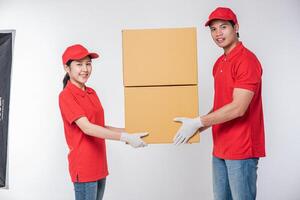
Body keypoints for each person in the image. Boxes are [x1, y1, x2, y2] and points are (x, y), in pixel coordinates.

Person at [173, 7, 266, 200]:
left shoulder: (247, 61)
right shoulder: (219, 63)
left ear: (236, 27)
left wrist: (199, 121)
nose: (218, 34)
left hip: (241, 150)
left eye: (223, 27)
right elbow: (222, 104)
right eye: (213, 29)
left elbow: (238, 108)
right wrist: (196, 127)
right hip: (220, 148)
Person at [58, 44, 148, 200]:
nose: (85, 69)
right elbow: (87, 128)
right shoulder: (66, 96)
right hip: (84, 167)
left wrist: (128, 131)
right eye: (79, 64)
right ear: (67, 68)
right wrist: (125, 138)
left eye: (88, 64)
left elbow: (99, 126)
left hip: (99, 164)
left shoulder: (92, 92)